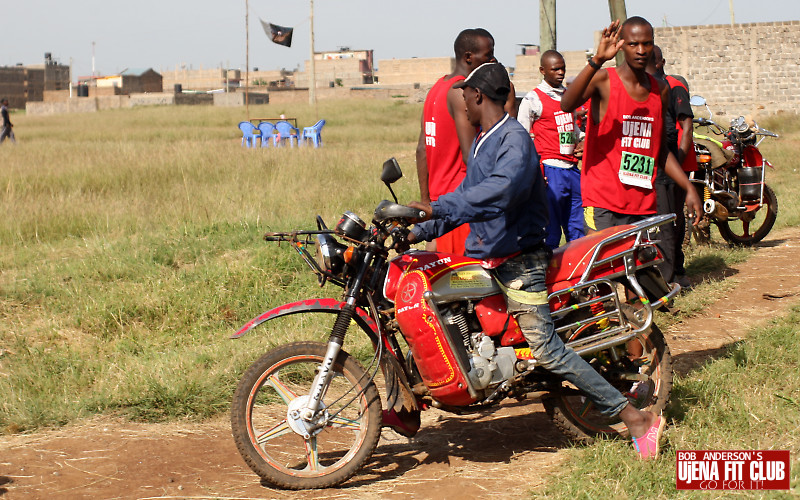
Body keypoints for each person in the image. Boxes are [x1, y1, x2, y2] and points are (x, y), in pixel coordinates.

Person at [407, 62, 666, 459]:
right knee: (438, 298)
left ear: (477, 96)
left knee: (546, 349)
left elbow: (499, 191)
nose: (462, 105)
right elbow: (468, 200)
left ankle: (634, 418)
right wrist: (416, 231)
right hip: (489, 259)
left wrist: (434, 206)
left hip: (520, 263)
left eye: (464, 98)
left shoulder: (513, 139)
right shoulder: (483, 141)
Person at [560, 18, 701, 236]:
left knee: (643, 268)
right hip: (603, 202)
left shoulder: (661, 91)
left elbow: (660, 150)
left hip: (642, 204)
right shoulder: (604, 80)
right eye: (633, 44)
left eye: (647, 43)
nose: (641, 50)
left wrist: (688, 187)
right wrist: (596, 60)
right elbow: (567, 104)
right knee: (608, 268)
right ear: (622, 45)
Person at [416, 28, 515, 255]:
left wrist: (428, 202)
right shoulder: (462, 93)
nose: (492, 60)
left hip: (440, 200)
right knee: (466, 280)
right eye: (487, 55)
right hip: (460, 203)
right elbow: (471, 155)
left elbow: (422, 150)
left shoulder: (438, 88)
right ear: (469, 57)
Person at [517, 50, 584, 249]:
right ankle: (549, 275)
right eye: (555, 69)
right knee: (550, 230)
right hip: (550, 170)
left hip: (572, 170)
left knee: (577, 229)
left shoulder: (568, 96)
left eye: (562, 68)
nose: (560, 72)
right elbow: (521, 137)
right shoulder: (532, 100)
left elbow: (573, 128)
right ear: (542, 70)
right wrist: (533, 173)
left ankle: (579, 274)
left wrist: (581, 141)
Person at [647, 46, 695, 288]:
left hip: (674, 163)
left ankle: (676, 270)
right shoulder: (642, 87)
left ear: (660, 62)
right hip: (653, 167)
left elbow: (686, 127)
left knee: (673, 222)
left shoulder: (673, 86)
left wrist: (679, 163)